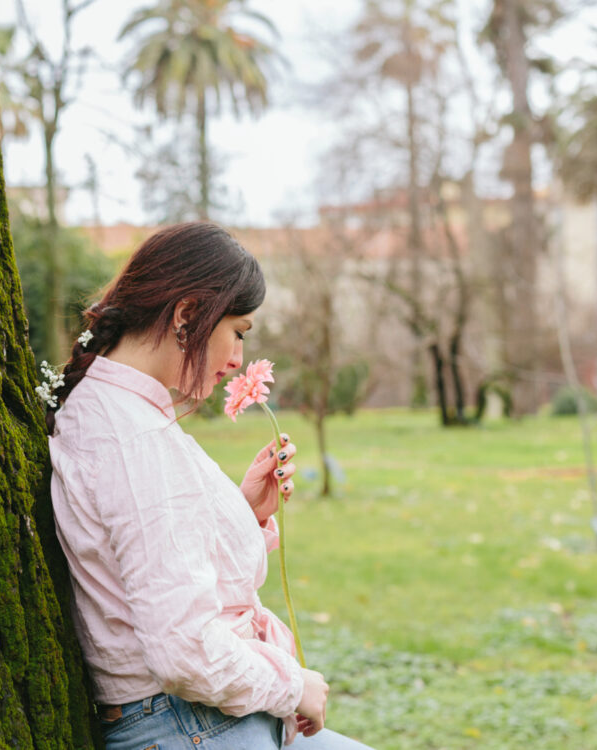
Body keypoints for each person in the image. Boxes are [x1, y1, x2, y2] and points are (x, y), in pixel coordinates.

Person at [46, 222, 372, 749]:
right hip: (189, 724)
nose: (239, 359)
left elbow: (151, 555)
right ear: (187, 315)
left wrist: (245, 511)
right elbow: (185, 650)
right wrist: (294, 687)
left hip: (200, 720)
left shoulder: (122, 412)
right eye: (239, 331)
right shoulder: (135, 438)